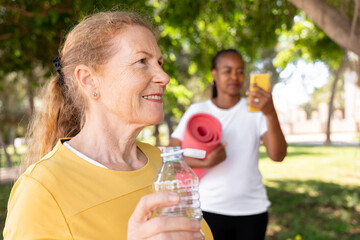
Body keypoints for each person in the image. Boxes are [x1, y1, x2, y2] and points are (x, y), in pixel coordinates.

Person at [3, 11, 213, 240]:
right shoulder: (41, 190)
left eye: (160, 62)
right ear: (89, 80)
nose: (164, 76)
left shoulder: (164, 165)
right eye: (142, 62)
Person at [169, 49, 287, 239]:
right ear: (214, 74)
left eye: (240, 71)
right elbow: (171, 154)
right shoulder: (197, 110)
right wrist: (206, 162)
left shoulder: (257, 111)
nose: (235, 76)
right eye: (227, 71)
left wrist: (270, 113)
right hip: (208, 209)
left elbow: (278, 155)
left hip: (252, 211)